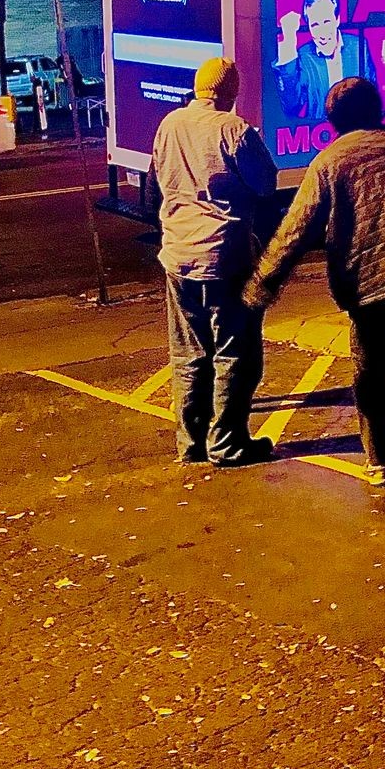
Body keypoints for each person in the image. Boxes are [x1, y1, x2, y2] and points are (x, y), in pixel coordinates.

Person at [244, 77, 385, 488]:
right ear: (378, 108)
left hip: (365, 285)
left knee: (369, 374)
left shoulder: (330, 161)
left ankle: (377, 462)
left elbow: (295, 232)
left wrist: (260, 286)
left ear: (333, 119)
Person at [151, 56, 278, 468]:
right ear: (231, 92)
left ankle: (189, 442)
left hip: (177, 254)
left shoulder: (169, 124)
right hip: (225, 255)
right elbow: (266, 183)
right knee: (234, 352)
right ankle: (226, 443)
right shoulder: (234, 130)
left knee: (188, 352)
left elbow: (158, 181)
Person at [274, 0, 376, 123]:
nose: (322, 33)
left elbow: (372, 97)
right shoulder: (304, 56)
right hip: (320, 139)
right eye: (315, 25)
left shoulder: (358, 46)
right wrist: (289, 40)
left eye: (326, 22)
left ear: (337, 19)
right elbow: (291, 107)